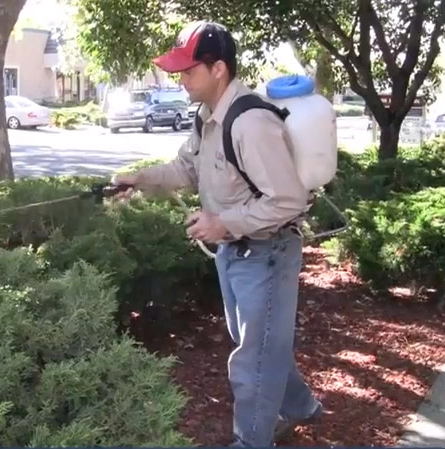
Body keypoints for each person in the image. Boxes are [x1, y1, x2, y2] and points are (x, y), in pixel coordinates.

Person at [111, 20, 323, 447]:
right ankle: (300, 407)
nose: (181, 79)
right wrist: (140, 179)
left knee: (253, 360)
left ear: (219, 68)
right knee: (260, 344)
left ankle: (250, 441)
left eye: (189, 70)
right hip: (235, 252)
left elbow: (287, 202)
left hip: (268, 252)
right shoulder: (207, 116)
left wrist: (222, 223)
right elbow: (185, 170)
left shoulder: (250, 122)